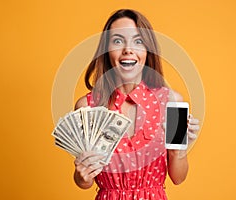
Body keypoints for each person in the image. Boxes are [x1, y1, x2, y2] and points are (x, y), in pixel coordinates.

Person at [73, 9, 200, 200]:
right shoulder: (87, 107)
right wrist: (82, 175)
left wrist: (179, 153)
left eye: (138, 41)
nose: (128, 49)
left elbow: (178, 178)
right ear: (106, 51)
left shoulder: (172, 102)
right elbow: (84, 182)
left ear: (148, 50)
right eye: (117, 41)